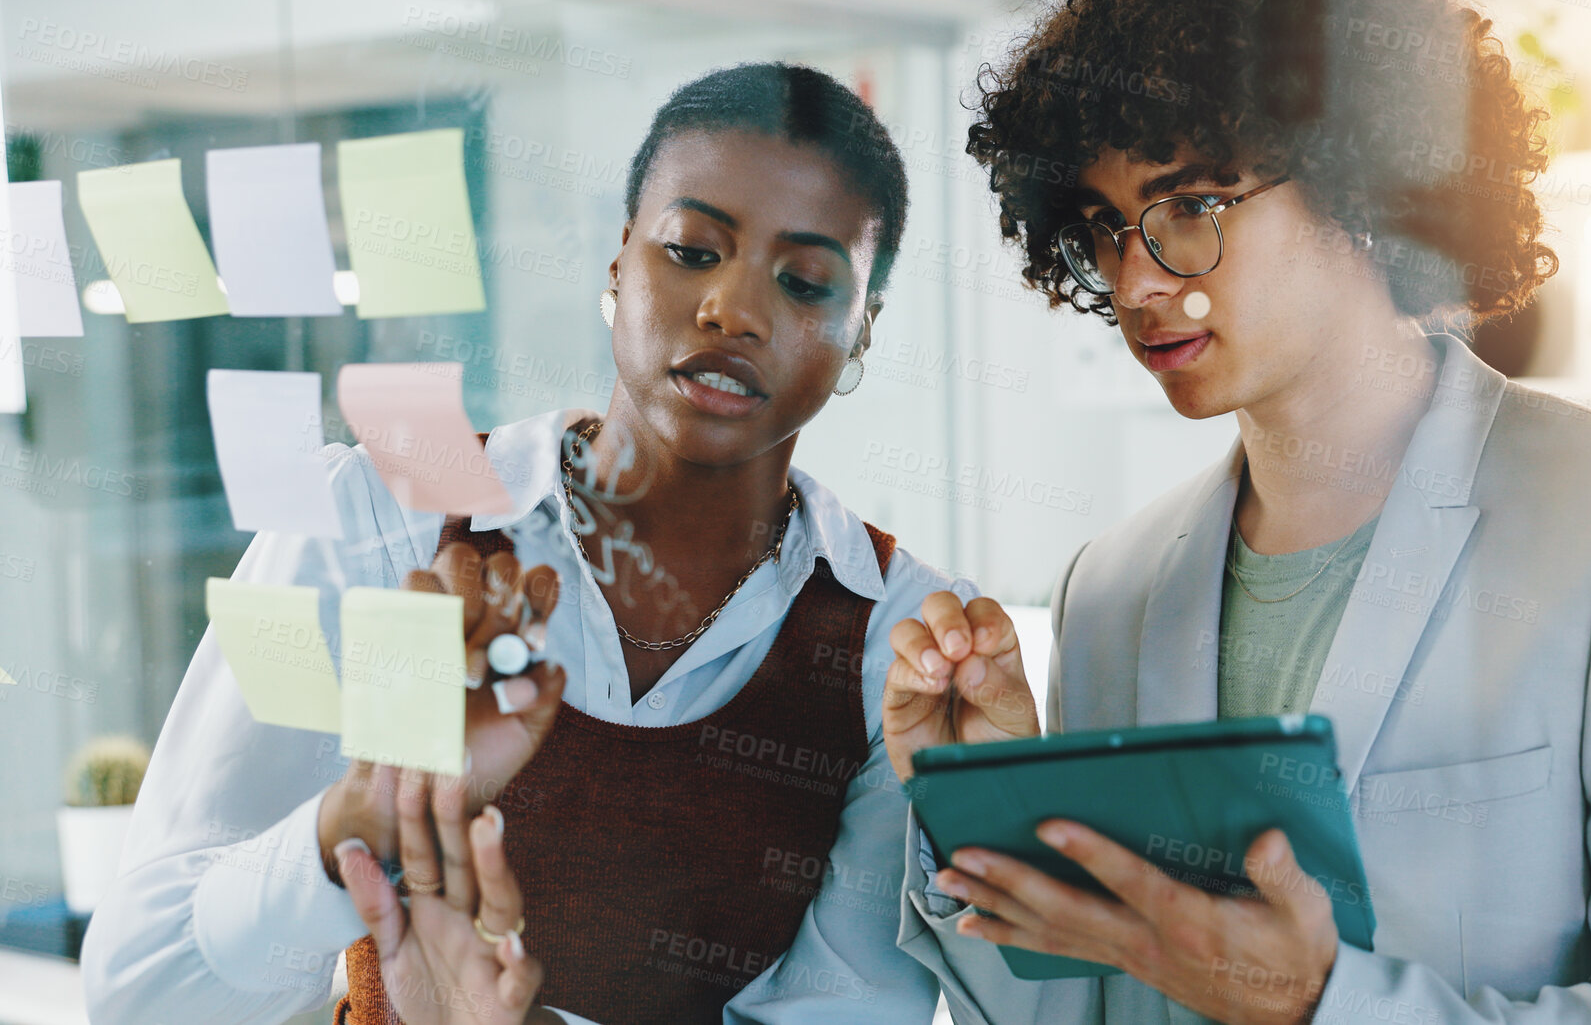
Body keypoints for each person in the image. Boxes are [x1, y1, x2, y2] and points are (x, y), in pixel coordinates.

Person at [882, 0, 1591, 1022]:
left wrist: (1320, 1002)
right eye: (1106, 229)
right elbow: (1092, 1010)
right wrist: (986, 823)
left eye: (1192, 206)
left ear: (1364, 185)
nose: (1138, 281)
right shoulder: (1110, 592)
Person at [82, 62, 966, 1024]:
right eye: (693, 251)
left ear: (861, 333)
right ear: (620, 262)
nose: (733, 311)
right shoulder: (379, 517)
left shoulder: (898, 634)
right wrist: (353, 830)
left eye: (804, 282)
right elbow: (143, 988)